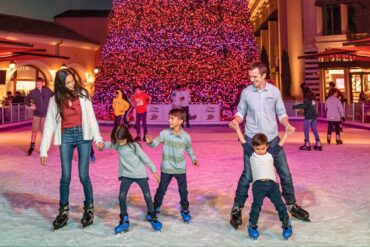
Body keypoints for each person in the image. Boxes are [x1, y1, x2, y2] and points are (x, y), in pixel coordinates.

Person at [229, 62, 309, 230]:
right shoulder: (246, 92)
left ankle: (291, 205)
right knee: (247, 176)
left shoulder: (274, 91)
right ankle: (237, 208)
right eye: (250, 76)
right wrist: (236, 120)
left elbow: (281, 113)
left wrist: (286, 124)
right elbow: (240, 112)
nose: (251, 79)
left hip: (271, 139)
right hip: (252, 139)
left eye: (255, 77)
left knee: (284, 173)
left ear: (264, 76)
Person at [39, 69, 104, 230]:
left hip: (83, 136)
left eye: (72, 81)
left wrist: (98, 138)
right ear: (61, 84)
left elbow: (91, 118)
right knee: (65, 176)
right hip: (66, 137)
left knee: (83, 175)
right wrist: (43, 150)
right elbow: (49, 125)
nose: (71, 84)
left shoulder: (83, 95)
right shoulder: (55, 100)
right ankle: (63, 211)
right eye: (67, 82)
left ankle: (89, 208)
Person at [229, 122, 293, 240]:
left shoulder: (271, 153)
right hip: (258, 186)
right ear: (253, 147)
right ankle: (252, 226)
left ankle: (286, 224)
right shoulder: (251, 154)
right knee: (256, 207)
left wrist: (287, 133)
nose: (260, 151)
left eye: (263, 148)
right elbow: (243, 141)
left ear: (267, 146)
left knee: (280, 205)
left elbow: (280, 144)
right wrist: (237, 128)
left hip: (272, 185)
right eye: (257, 148)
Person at [103, 125, 162, 233]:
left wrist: (154, 171)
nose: (120, 143)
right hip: (126, 175)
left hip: (140, 175)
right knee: (121, 197)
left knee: (147, 196)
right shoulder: (118, 145)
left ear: (127, 136)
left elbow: (146, 159)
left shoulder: (134, 146)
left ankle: (152, 216)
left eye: (122, 141)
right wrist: (101, 144)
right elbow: (108, 144)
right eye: (118, 141)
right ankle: (124, 220)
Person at [145, 108, 199, 223]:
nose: (169, 120)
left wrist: (193, 159)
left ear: (180, 121)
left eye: (172, 118)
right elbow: (154, 144)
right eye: (169, 118)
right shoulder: (165, 133)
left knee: (183, 191)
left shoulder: (186, 137)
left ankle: (184, 209)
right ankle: (155, 208)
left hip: (180, 169)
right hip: (167, 168)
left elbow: (189, 149)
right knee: (161, 190)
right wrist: (150, 142)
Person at [24, 77, 53, 156]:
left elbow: (54, 97)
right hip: (36, 114)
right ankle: (32, 147)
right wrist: (30, 105)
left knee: (44, 132)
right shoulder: (33, 92)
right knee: (34, 131)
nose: (38, 85)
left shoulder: (47, 91)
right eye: (37, 84)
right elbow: (26, 99)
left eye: (39, 84)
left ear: (43, 83)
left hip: (44, 115)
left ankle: (43, 148)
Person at [292, 83, 322, 151]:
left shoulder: (307, 96)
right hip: (315, 114)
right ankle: (318, 143)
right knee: (314, 128)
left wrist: (295, 106)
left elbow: (305, 105)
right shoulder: (312, 95)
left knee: (305, 128)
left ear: (303, 89)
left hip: (309, 115)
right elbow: (312, 104)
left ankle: (307, 144)